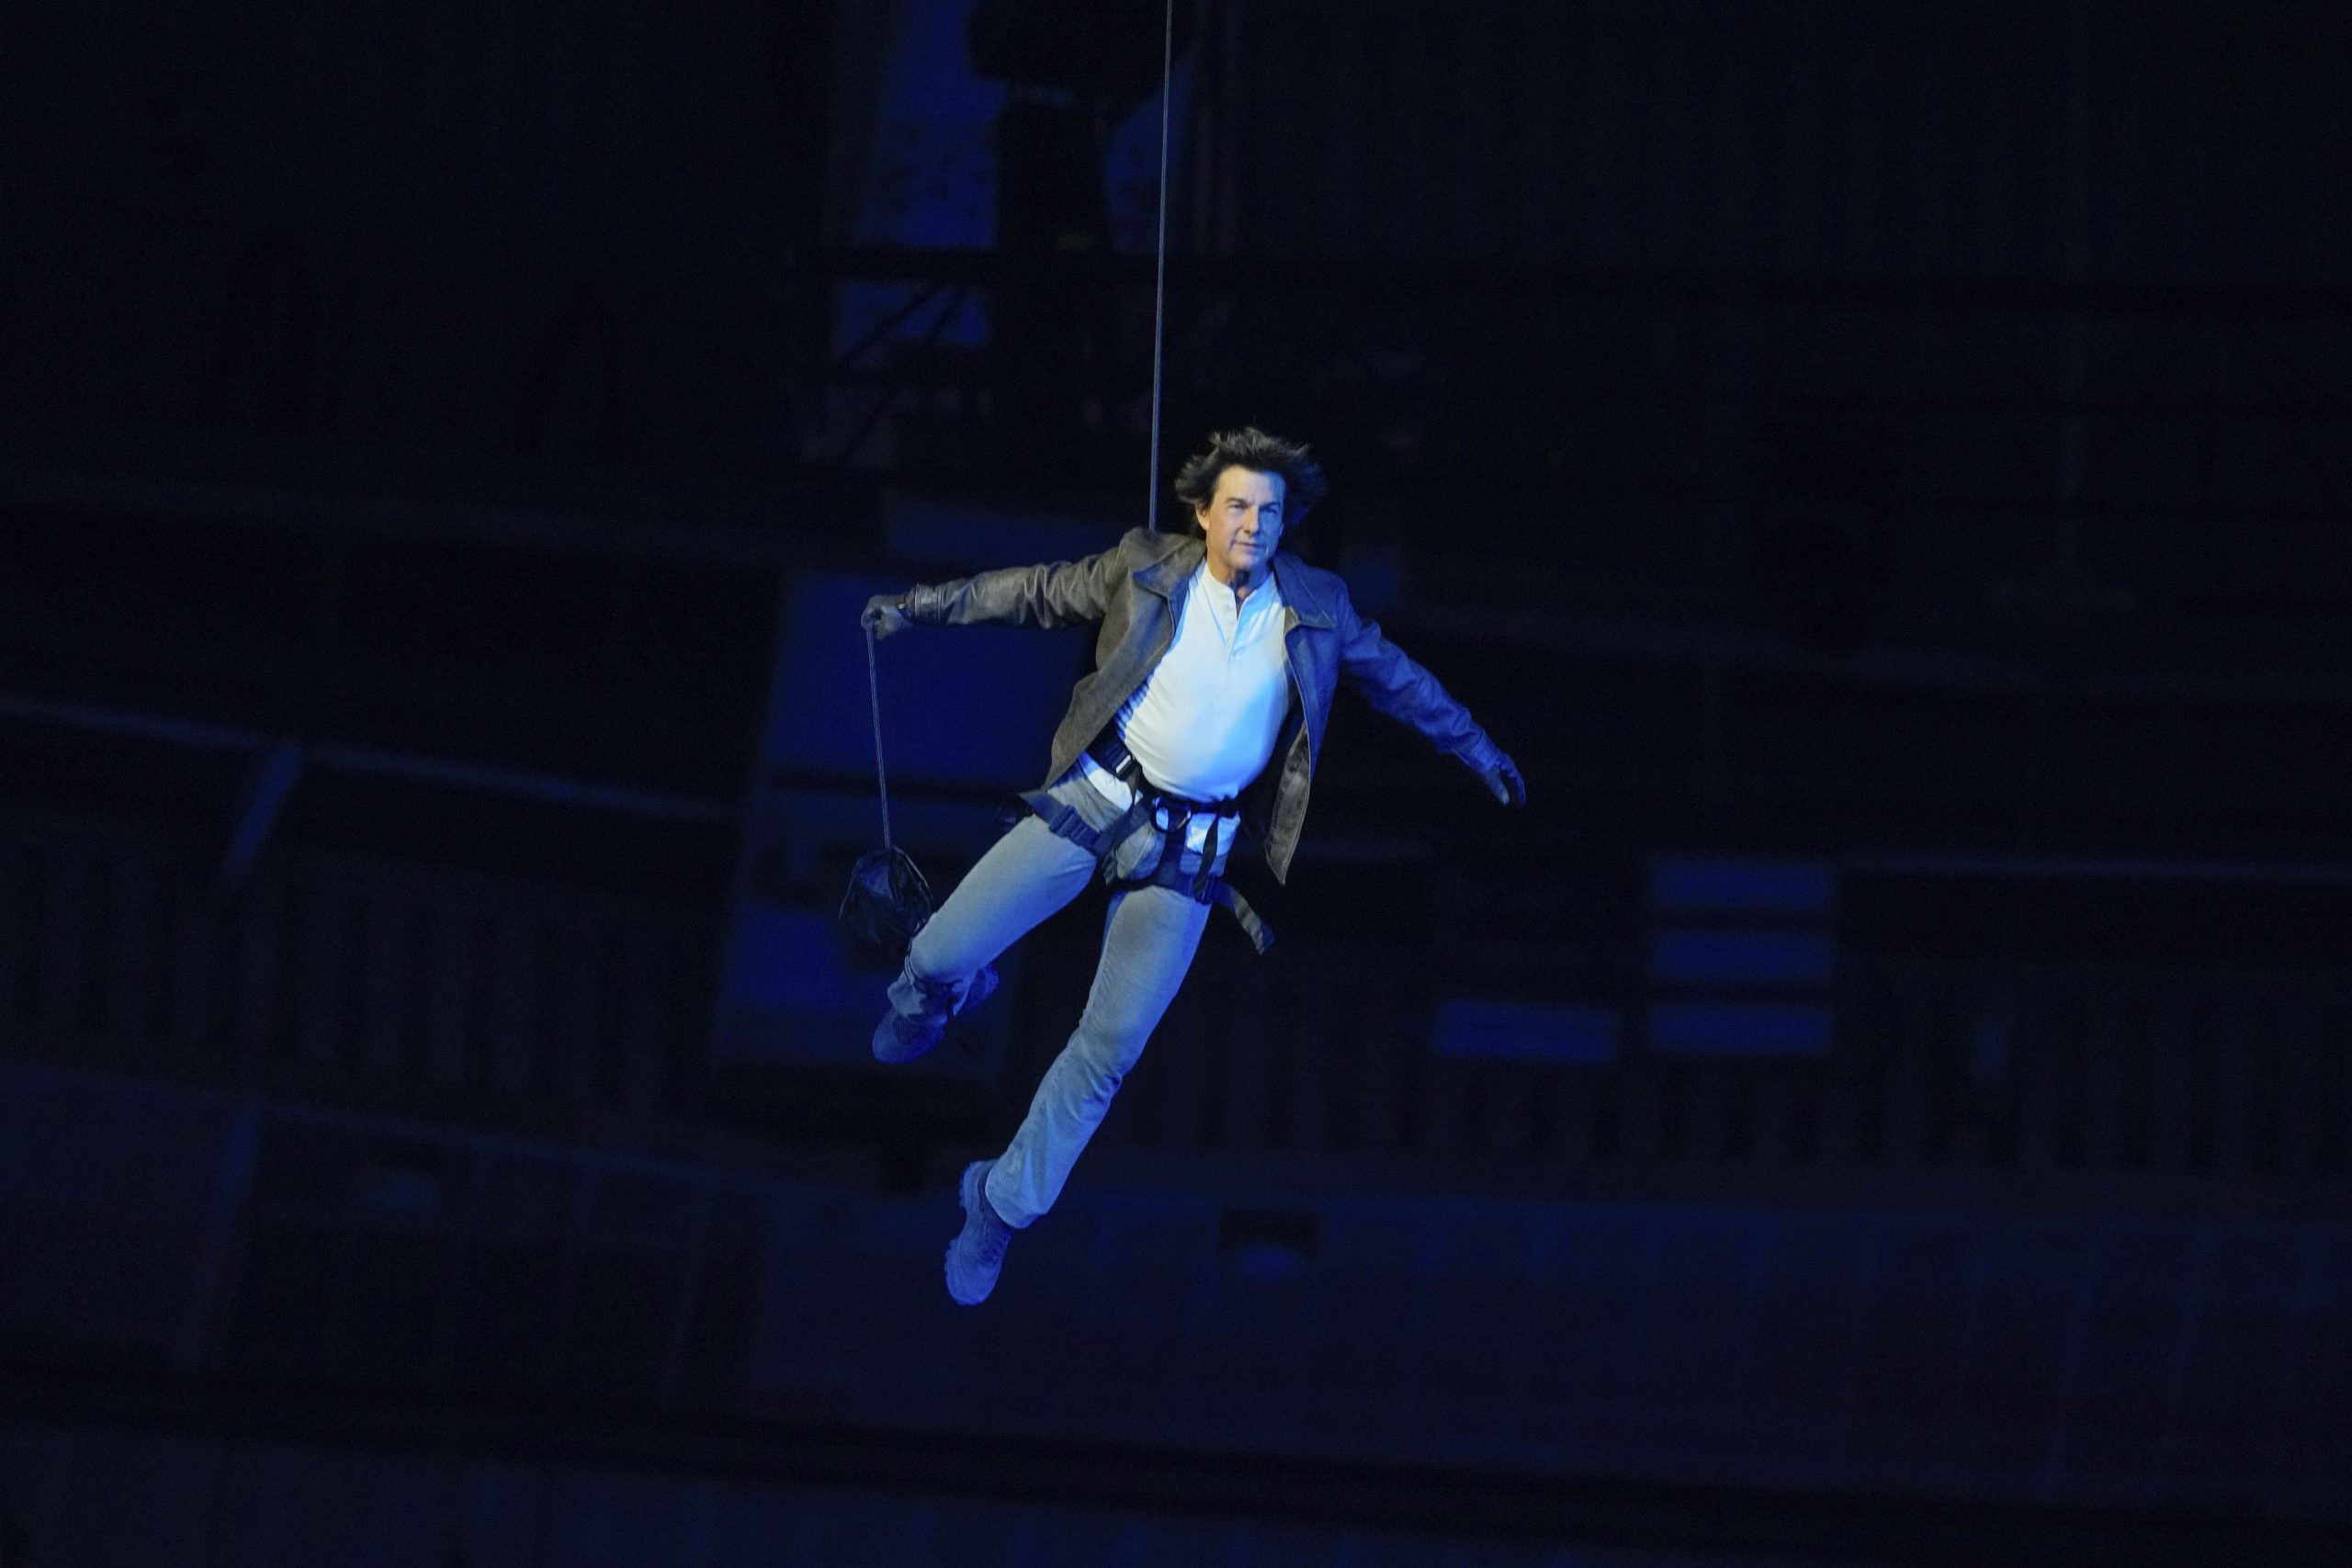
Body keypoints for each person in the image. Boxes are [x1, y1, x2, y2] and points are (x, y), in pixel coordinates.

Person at [862, 427, 1525, 1304]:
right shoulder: (1144, 568)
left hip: (1192, 851)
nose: (1254, 524)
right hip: (1099, 798)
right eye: (1239, 506)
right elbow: (1033, 592)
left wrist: (1474, 743)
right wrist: (921, 604)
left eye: (1271, 511)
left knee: (1107, 1051)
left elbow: (1397, 679)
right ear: (1205, 513)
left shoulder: (1315, 605)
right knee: (940, 951)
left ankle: (997, 1204)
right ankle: (933, 996)